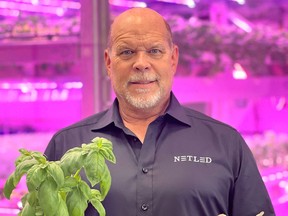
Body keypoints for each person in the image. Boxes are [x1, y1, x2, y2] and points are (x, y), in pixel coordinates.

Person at [44, 7, 275, 216]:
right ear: (108, 62)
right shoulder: (65, 146)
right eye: (126, 53)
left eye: (155, 51)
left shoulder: (227, 144)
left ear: (173, 59)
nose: (141, 63)